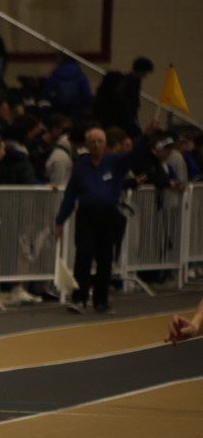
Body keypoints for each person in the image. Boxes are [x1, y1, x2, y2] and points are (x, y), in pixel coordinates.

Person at [54, 122, 155, 314]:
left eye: (100, 141)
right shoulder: (80, 166)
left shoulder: (115, 162)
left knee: (105, 257)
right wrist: (60, 221)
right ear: (87, 144)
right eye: (92, 141)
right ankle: (80, 298)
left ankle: (101, 301)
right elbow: (70, 195)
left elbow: (135, 155)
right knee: (83, 255)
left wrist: (147, 136)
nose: (96, 145)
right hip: (86, 213)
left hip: (108, 214)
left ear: (105, 143)